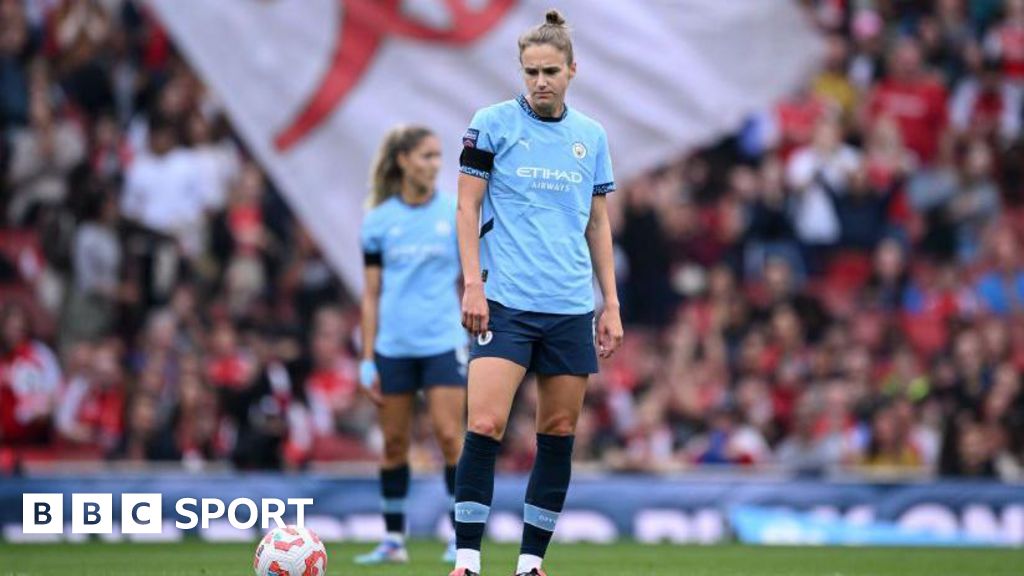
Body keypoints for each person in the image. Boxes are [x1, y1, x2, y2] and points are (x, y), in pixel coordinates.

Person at [451, 10, 624, 576]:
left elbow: (598, 224)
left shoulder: (590, 137)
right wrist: (473, 284)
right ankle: (468, 561)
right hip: (505, 302)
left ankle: (530, 564)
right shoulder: (492, 124)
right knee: (483, 425)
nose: (540, 81)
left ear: (573, 70)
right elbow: (466, 207)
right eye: (531, 72)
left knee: (559, 432)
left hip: (570, 306)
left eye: (550, 70)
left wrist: (611, 303)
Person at [355, 125, 467, 565]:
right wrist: (367, 358)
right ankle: (393, 541)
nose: (434, 165)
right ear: (403, 161)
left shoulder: (453, 213)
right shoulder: (378, 221)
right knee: (394, 444)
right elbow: (370, 294)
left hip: (442, 341)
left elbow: (471, 275)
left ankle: (462, 536)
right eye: (426, 156)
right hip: (394, 346)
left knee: (449, 437)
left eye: (438, 157)